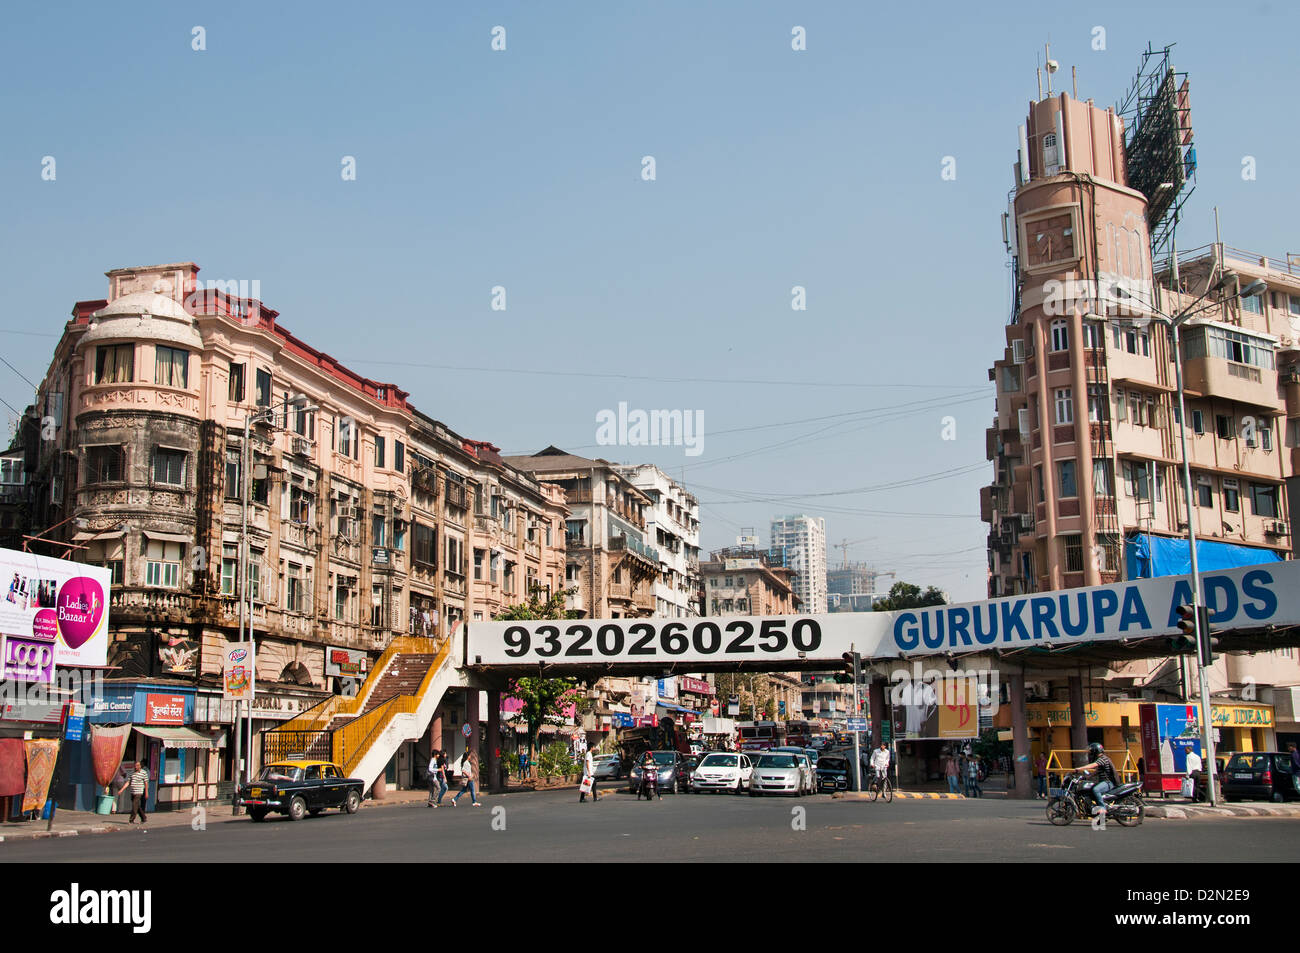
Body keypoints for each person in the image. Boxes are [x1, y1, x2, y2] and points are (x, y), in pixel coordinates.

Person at [1078, 742, 1117, 816]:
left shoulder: (1103, 759)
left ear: (1096, 751)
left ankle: (1103, 808)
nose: (1091, 754)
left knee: (1096, 789)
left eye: (1092, 751)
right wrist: (1087, 777)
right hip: (1104, 782)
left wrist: (1080, 768)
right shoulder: (1102, 759)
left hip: (1108, 782)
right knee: (1091, 789)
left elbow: (1093, 765)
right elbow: (1097, 771)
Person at [116, 760, 150, 825]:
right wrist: (121, 790)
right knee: (137, 806)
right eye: (135, 765)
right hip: (133, 792)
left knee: (134, 806)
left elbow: (146, 783)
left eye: (137, 765)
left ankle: (131, 820)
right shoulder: (132, 773)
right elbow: (128, 782)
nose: (136, 767)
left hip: (139, 792)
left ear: (140, 766)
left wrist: (146, 792)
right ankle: (143, 818)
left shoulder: (144, 773)